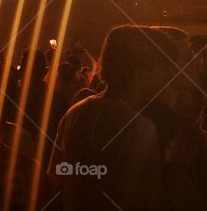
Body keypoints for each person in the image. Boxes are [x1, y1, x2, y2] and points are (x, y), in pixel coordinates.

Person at [47, 25, 167, 211]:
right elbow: (146, 196)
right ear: (140, 72)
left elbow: (55, 175)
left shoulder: (76, 112)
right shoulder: (140, 127)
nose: (166, 75)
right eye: (160, 66)